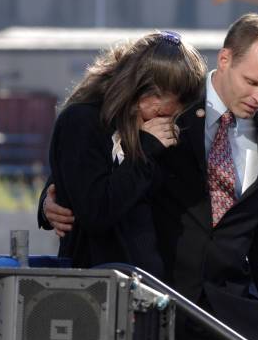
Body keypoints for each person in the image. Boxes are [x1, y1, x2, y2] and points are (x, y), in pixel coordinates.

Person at [40, 15, 258, 340]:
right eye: (251, 81)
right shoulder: (168, 102)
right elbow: (93, 163)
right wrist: (49, 203)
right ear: (225, 60)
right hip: (154, 308)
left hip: (228, 322)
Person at [41, 31, 206, 277]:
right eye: (164, 112)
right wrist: (144, 149)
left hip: (158, 285)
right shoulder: (84, 122)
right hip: (98, 285)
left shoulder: (171, 130)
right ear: (146, 94)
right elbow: (96, 210)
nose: (169, 120)